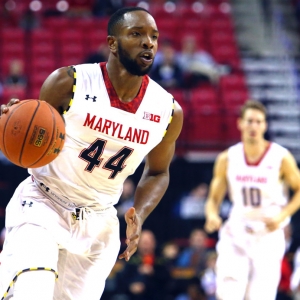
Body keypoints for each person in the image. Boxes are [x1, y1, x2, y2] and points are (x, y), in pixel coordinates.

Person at [0, 6, 183, 300]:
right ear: (112, 43)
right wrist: (13, 121)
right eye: (136, 34)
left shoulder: (167, 111)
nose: (148, 42)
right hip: (44, 204)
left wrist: (141, 214)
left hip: (99, 224)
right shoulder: (68, 82)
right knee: (31, 293)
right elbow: (33, 131)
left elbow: (159, 171)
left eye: (154, 36)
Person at [204, 100, 300, 300]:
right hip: (236, 231)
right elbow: (214, 199)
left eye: (258, 122)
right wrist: (212, 216)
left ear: (265, 125)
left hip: (268, 233)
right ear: (240, 123)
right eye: (249, 121)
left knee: (260, 296)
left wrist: (282, 215)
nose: (253, 126)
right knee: (228, 294)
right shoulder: (227, 158)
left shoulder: (281, 157)